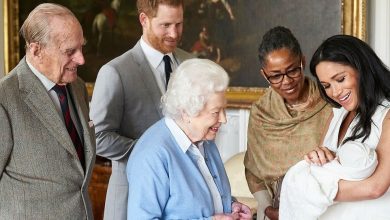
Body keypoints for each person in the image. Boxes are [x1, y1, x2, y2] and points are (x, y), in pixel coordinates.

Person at [89, 0, 193, 219]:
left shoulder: (191, 63)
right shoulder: (115, 72)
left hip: (184, 201)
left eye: (179, 24)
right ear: (144, 20)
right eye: (165, 25)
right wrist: (151, 152)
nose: (174, 34)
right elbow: (97, 137)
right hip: (131, 198)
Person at [0, 3, 95, 219]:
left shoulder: (78, 87)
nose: (81, 59)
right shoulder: (5, 99)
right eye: (70, 51)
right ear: (36, 50)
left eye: (81, 48)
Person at [126, 58, 252, 219]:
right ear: (186, 112)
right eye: (215, 112)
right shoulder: (152, 155)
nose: (224, 119)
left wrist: (232, 206)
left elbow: (202, 200)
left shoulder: (205, 140)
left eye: (224, 109)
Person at [243, 26, 332, 220]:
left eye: (292, 70)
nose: (286, 82)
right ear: (264, 75)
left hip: (326, 206)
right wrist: (267, 209)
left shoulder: (329, 101)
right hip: (275, 209)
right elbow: (253, 171)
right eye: (275, 76)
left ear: (303, 62)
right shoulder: (261, 113)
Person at [302, 34, 390, 219]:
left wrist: (309, 189)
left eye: (340, 79)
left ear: (362, 69)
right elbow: (325, 169)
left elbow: (375, 188)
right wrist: (317, 158)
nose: (335, 92)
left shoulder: (387, 116)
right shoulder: (336, 115)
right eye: (326, 85)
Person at [279, 141, 377, 220]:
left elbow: (374, 189)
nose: (336, 159)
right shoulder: (356, 162)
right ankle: (286, 209)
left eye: (339, 159)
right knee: (296, 180)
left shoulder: (336, 177)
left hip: (308, 181)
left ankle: (288, 211)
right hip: (308, 171)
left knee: (299, 185)